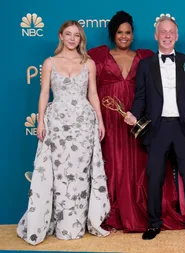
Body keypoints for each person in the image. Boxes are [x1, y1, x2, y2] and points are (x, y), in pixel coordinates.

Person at [88, 11, 185, 232]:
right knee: (114, 164)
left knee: (143, 164)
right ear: (113, 34)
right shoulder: (97, 56)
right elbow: (90, 91)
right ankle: (113, 211)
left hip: (138, 119)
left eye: (128, 32)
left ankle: (146, 211)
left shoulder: (145, 56)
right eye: (120, 32)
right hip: (110, 120)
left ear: (133, 34)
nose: (124, 36)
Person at [17, 20, 110, 245]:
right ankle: (58, 224)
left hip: (83, 125)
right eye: (68, 34)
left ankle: (75, 225)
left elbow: (93, 95)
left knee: (79, 174)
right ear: (60, 36)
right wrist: (41, 122)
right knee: (58, 174)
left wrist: (99, 120)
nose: (72, 39)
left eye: (76, 35)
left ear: (81, 39)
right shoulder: (49, 62)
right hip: (57, 123)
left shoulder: (89, 63)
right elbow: (44, 93)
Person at [125, 16, 185, 240]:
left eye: (171, 32)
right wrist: (133, 114)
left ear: (177, 36)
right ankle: (154, 223)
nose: (166, 35)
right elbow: (141, 97)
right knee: (154, 177)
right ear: (156, 35)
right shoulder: (145, 65)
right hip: (157, 128)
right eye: (162, 32)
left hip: (184, 127)